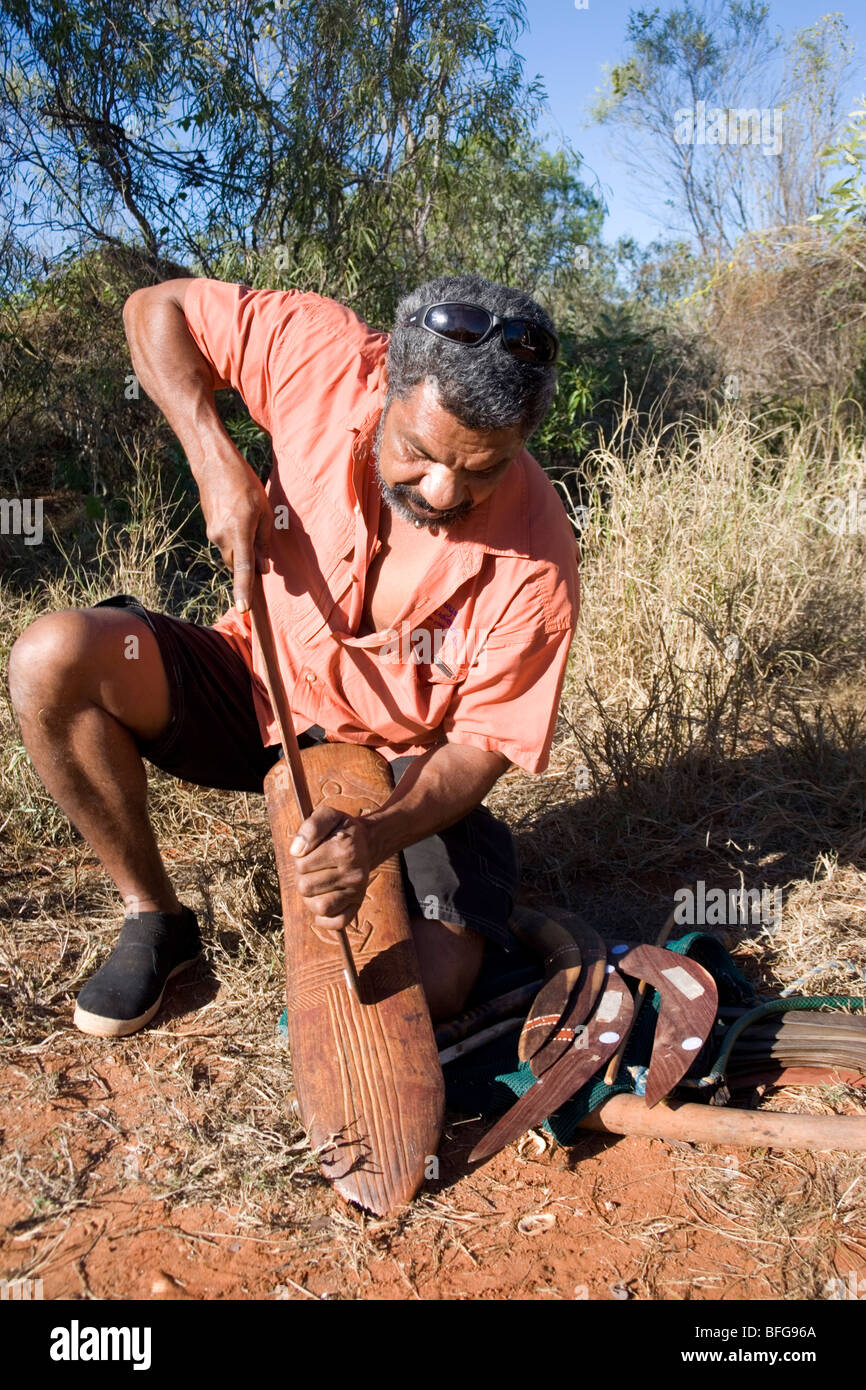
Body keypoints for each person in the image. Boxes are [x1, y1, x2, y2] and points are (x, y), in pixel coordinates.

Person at [8, 273, 579, 1037]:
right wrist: (211, 452)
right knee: (54, 657)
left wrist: (373, 839)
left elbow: (478, 750)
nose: (443, 491)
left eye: (483, 469)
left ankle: (463, 871)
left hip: (400, 764)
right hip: (261, 684)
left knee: (432, 988)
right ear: (386, 382)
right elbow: (155, 308)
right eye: (418, 451)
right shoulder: (323, 357)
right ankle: (156, 919)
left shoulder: (540, 559)